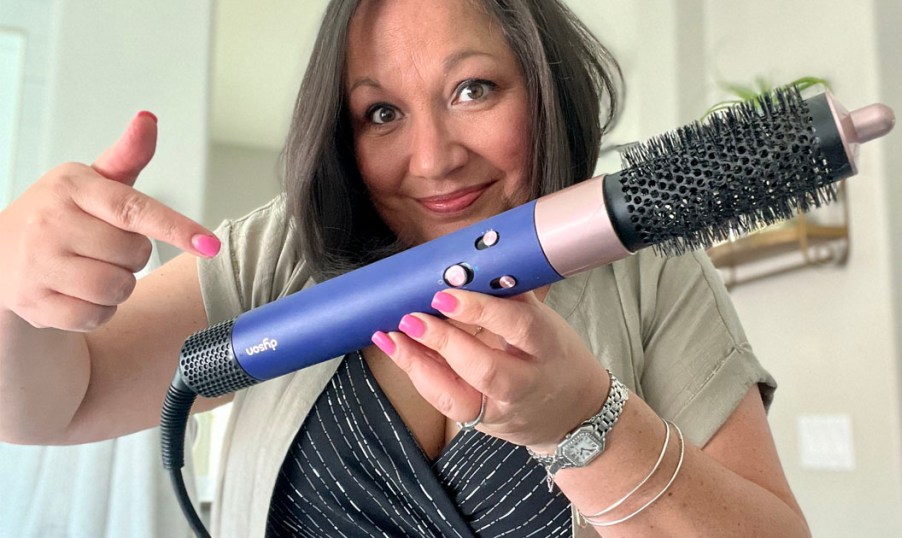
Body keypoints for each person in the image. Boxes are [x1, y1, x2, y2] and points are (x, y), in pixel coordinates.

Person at [0, 0, 810, 536]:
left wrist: (585, 424)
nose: (433, 160)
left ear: (545, 85)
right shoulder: (277, 255)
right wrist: (12, 288)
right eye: (381, 112)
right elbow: (53, 404)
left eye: (473, 89)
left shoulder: (651, 277)